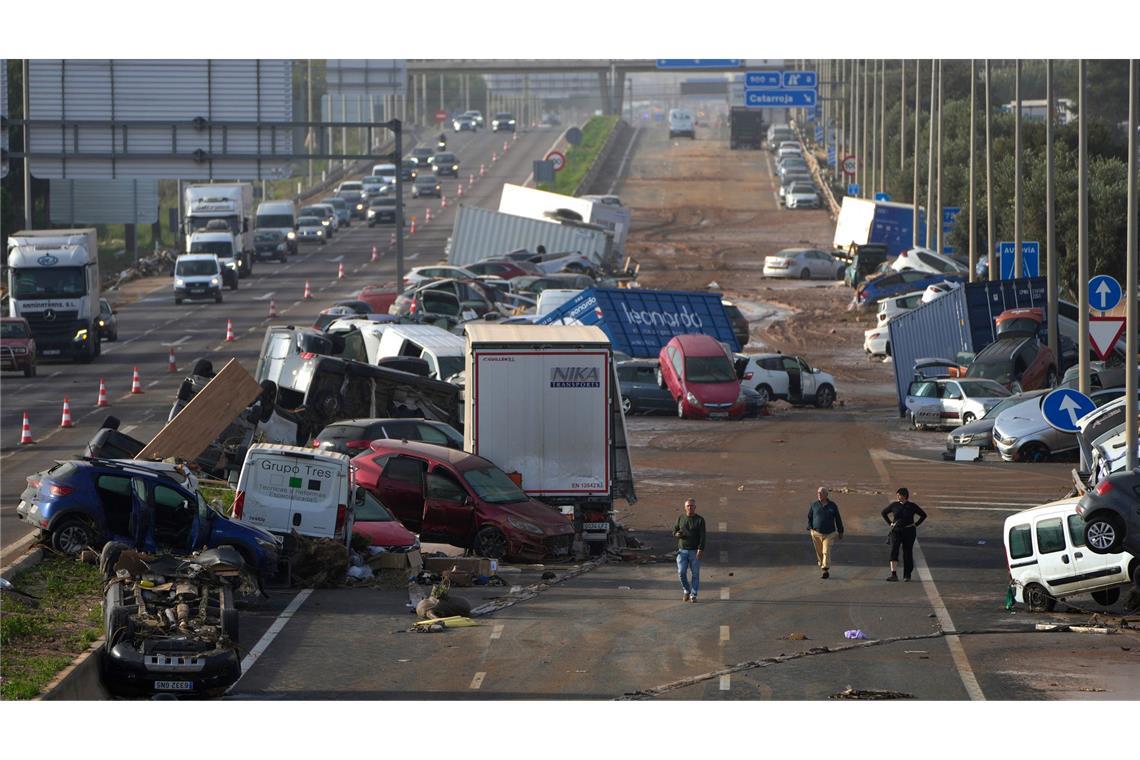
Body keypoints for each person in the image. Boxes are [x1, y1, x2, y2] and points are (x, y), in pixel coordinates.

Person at [881, 487, 927, 582]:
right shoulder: (894, 505)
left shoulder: (912, 506)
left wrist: (916, 524)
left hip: (909, 531)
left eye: (899, 495)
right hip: (896, 531)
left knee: (907, 552)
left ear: (905, 496)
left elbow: (923, 515)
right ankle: (894, 574)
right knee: (894, 550)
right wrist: (890, 523)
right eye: (897, 495)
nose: (898, 497)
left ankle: (907, 575)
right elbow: (884, 513)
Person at [807, 487, 844, 579]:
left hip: (829, 534)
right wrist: (810, 528)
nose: (819, 494)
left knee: (826, 551)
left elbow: (838, 519)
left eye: (821, 493)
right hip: (816, 533)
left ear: (826, 495)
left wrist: (840, 531)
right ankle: (822, 564)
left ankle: (825, 569)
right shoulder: (814, 505)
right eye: (818, 493)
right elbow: (810, 516)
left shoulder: (832, 506)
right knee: (819, 552)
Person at [673, 498, 706, 602]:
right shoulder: (680, 518)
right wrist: (677, 534)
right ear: (685, 507)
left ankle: (693, 594)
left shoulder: (700, 520)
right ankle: (686, 590)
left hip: (694, 551)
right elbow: (674, 530)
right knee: (681, 572)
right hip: (682, 551)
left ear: (695, 507)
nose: (690, 507)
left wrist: (700, 549)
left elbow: (703, 536)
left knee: (695, 574)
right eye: (688, 506)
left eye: (692, 506)